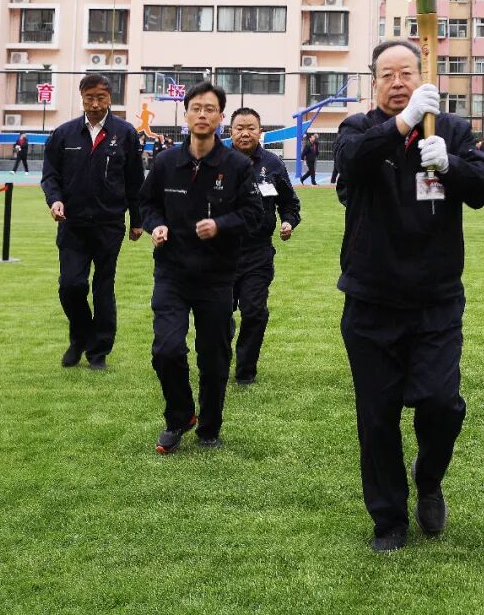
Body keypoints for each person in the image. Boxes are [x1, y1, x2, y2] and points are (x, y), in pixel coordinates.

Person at [335, 40, 484, 552]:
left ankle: (429, 479)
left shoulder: (451, 129)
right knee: (377, 416)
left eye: (407, 72)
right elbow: (351, 163)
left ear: (423, 76)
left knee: (442, 404)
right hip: (371, 299)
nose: (398, 82)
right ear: (374, 82)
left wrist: (451, 165)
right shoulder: (358, 129)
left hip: (436, 300)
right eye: (387, 74)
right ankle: (389, 520)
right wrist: (402, 124)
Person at [138, 82, 263, 454]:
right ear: (186, 114)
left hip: (217, 276)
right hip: (172, 273)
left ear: (220, 117)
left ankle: (209, 426)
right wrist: (156, 226)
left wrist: (220, 225)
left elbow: (253, 214)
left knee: (214, 356)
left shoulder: (236, 166)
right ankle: (179, 417)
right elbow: (147, 205)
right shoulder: (165, 163)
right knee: (166, 350)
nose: (202, 114)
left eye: (210, 109)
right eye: (196, 108)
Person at [41, 74, 144, 371]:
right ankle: (81, 337)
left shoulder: (125, 133)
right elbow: (50, 176)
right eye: (90, 98)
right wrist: (55, 200)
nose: (95, 104)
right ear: (82, 98)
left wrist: (137, 220)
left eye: (101, 98)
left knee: (103, 288)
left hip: (109, 224)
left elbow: (135, 180)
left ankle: (99, 351)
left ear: (110, 98)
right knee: (70, 285)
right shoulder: (64, 134)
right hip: (72, 224)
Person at [227, 107, 301, 385]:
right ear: (230, 132)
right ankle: (218, 361)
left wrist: (288, 222)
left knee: (255, 312)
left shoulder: (273, 164)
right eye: (239, 128)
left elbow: (289, 203)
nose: (245, 133)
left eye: (251, 128)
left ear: (261, 132)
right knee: (218, 315)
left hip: (257, 253)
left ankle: (245, 371)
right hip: (221, 254)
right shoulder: (216, 161)